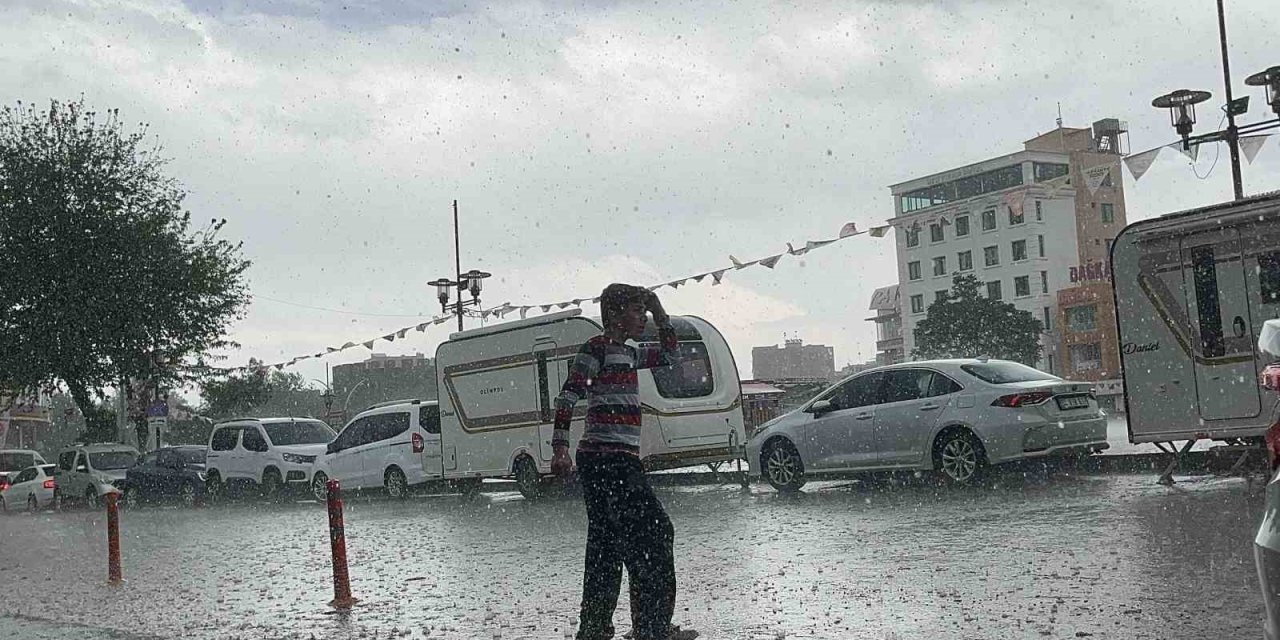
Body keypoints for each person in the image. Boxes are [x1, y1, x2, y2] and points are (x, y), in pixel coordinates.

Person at [551, 283, 698, 640]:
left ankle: (603, 628)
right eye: (636, 310)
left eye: (643, 311)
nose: (642, 317)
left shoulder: (629, 354)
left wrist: (660, 311)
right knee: (652, 534)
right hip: (606, 461)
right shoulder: (596, 350)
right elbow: (569, 395)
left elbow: (670, 357)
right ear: (614, 315)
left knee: (611, 544)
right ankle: (648, 628)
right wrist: (560, 449)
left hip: (617, 461)